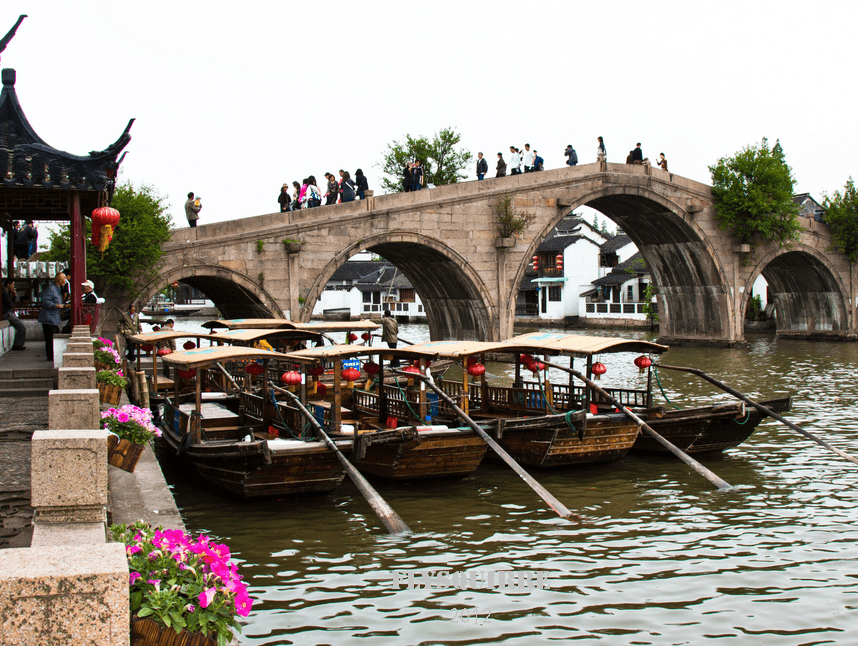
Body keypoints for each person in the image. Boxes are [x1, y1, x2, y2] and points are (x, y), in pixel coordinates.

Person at [38, 271, 68, 362]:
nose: (65, 282)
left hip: (54, 317)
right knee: (50, 338)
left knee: (53, 337)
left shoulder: (58, 289)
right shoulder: (51, 288)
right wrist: (55, 305)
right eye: (64, 280)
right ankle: (50, 356)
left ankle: (52, 355)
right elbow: (45, 300)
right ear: (60, 280)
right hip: (48, 318)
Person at [2, 279, 25, 350]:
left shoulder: (4, 292)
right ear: (8, 284)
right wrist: (14, 296)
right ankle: (17, 345)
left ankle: (18, 344)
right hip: (7, 313)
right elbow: (10, 305)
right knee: (22, 327)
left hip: (6, 312)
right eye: (13, 284)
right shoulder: (4, 293)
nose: (13, 286)